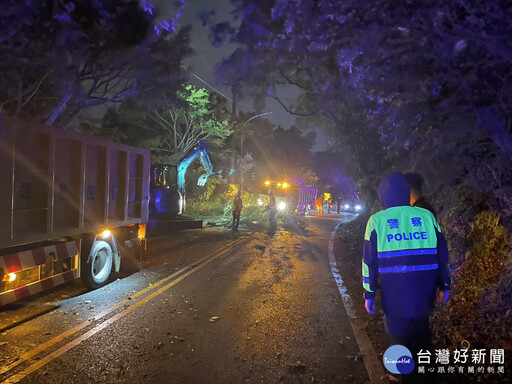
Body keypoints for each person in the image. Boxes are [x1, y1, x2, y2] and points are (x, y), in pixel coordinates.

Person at [362, 173, 451, 373]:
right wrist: (445, 285)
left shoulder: (376, 221)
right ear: (405, 192)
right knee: (422, 338)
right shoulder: (426, 216)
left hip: (394, 299)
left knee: (399, 343)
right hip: (424, 296)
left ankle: (404, 376)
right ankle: (423, 375)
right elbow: (442, 255)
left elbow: (369, 263)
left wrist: (369, 294)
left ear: (382, 196)